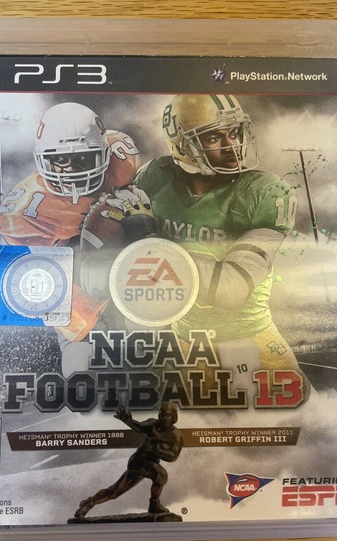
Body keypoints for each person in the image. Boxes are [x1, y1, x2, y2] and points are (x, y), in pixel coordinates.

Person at [125, 94, 312, 402]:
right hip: (185, 338)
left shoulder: (262, 193)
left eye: (234, 132)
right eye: (214, 137)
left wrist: (149, 248)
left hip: (249, 336)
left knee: (300, 415)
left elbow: (230, 289)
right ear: (182, 144)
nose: (231, 144)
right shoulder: (155, 178)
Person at [0, 101, 141, 355]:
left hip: (128, 263)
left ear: (104, 152)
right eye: (61, 159)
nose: (71, 169)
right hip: (68, 278)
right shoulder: (25, 210)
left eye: (82, 158)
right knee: (86, 356)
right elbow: (41, 283)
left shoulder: (121, 158)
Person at [74, 402, 184, 517]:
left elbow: (173, 456)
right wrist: (127, 420)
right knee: (159, 476)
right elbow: (140, 427)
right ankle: (90, 503)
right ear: (160, 415)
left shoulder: (176, 436)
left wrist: (156, 450)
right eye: (164, 414)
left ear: (174, 416)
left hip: (150, 465)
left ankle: (89, 503)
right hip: (138, 462)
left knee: (116, 492)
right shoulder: (152, 424)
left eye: (169, 415)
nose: (166, 418)